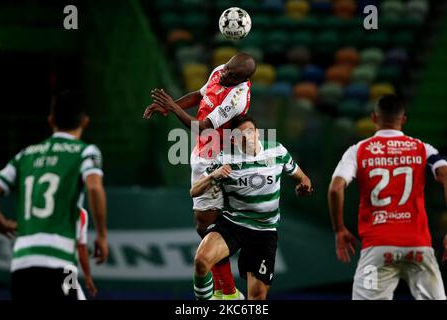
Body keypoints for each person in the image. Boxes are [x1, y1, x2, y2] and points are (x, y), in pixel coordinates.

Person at [144, 53, 257, 300]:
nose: (225, 73)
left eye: (231, 74)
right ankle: (225, 288)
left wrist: (173, 108)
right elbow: (200, 95)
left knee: (208, 225)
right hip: (204, 152)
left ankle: (227, 290)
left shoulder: (236, 98)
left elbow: (203, 126)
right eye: (226, 68)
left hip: (219, 156)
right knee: (204, 226)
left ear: (242, 79)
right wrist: (170, 104)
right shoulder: (220, 70)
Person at [328, 94, 447, 300]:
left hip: (377, 248)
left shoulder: (358, 151)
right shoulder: (423, 149)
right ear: (403, 120)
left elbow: (335, 188)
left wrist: (339, 229)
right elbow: (445, 175)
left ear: (374, 118)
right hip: (418, 247)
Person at [0, 90, 108, 300]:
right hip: (58, 263)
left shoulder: (25, 155)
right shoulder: (85, 151)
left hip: (21, 265)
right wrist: (102, 236)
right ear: (84, 121)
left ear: (50, 121)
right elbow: (94, 188)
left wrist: (1, 223)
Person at [190, 116, 313, 300]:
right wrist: (213, 175)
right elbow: (195, 191)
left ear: (257, 132)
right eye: (240, 135)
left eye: (249, 132)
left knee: (257, 298)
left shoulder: (277, 151)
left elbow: (303, 179)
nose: (246, 137)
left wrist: (304, 186)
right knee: (201, 261)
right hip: (233, 225)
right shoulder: (226, 158)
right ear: (235, 139)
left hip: (264, 232)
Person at [76, 208, 97, 300]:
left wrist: (87, 277)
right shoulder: (80, 213)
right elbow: (81, 247)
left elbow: (81, 247)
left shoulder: (81, 213)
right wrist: (87, 277)